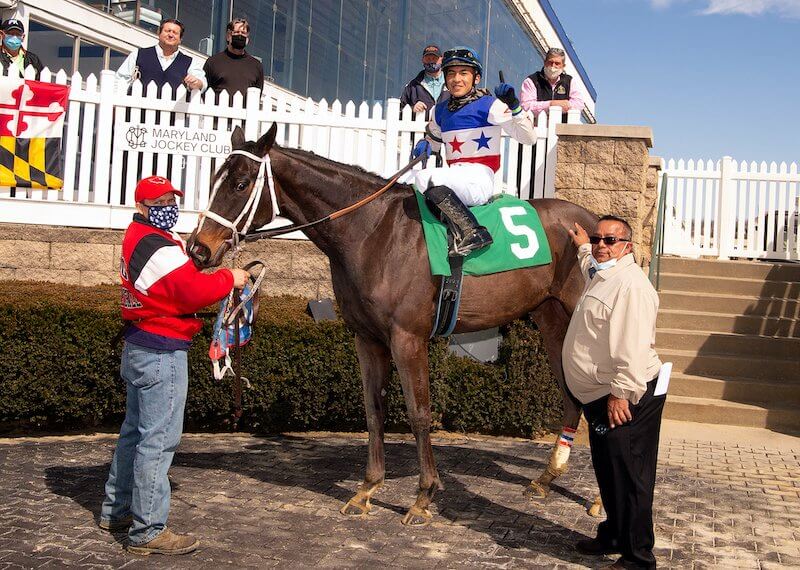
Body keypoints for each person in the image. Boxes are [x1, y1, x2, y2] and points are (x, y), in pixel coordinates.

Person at [100, 175, 249, 555]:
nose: (168, 206)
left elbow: (177, 279)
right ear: (141, 208)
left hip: (141, 345)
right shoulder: (154, 243)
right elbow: (189, 292)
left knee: (135, 432)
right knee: (159, 440)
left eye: (171, 198)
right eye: (160, 201)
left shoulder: (146, 238)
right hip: (161, 351)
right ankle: (148, 529)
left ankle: (115, 509)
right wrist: (229, 277)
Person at [563, 215, 664, 570]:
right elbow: (591, 265)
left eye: (610, 240)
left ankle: (639, 556)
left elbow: (633, 347)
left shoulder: (631, 287)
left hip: (626, 397)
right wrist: (581, 248)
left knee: (631, 473)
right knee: (608, 468)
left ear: (628, 247)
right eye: (597, 238)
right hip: (600, 399)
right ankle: (615, 534)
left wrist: (621, 393)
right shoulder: (603, 272)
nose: (602, 245)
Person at [410, 46, 535, 256]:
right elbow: (434, 140)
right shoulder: (439, 110)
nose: (456, 79)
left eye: (463, 73)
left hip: (480, 179)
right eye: (451, 73)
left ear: (476, 78)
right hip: (455, 176)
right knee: (410, 180)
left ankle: (474, 231)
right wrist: (426, 145)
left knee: (425, 178)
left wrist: (514, 106)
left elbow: (528, 138)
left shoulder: (490, 104)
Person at [115, 19, 206, 94]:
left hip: (173, 115)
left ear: (180, 39)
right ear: (159, 34)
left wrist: (197, 83)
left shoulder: (190, 62)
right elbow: (121, 79)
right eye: (167, 31)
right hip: (137, 113)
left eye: (175, 33)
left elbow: (202, 83)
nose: (170, 35)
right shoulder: (139, 54)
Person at [203, 18, 264, 99]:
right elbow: (204, 91)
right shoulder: (213, 62)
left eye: (243, 33)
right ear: (228, 36)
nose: (240, 35)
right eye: (236, 32)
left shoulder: (256, 66)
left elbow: (257, 95)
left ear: (247, 39)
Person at [519, 47, 583, 118]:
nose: (553, 66)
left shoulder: (569, 81)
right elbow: (526, 106)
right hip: (535, 127)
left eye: (557, 63)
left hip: (563, 127)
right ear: (545, 62)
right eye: (550, 62)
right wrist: (550, 104)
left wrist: (565, 105)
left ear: (563, 66)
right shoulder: (531, 81)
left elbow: (579, 104)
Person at [400, 45, 449, 116]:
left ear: (441, 60)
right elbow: (399, 111)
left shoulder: (452, 82)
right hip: (420, 126)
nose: (431, 61)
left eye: (434, 58)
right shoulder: (413, 86)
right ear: (422, 60)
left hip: (447, 126)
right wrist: (412, 109)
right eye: (428, 58)